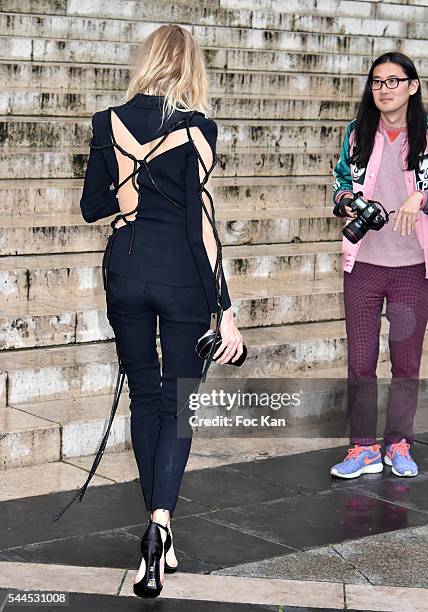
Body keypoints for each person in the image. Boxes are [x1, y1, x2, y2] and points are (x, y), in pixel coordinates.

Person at [77, 25, 243, 597]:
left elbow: (90, 208)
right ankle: (160, 525)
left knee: (147, 398)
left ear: (146, 62)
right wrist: (225, 308)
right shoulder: (199, 130)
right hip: (182, 279)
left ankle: (158, 530)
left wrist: (125, 197)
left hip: (125, 273)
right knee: (177, 405)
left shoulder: (107, 121)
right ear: (190, 67)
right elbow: (202, 225)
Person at [330, 52, 428, 479]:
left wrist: (420, 195)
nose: (384, 89)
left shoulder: (426, 136)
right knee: (360, 360)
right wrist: (350, 202)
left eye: (393, 81)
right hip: (364, 264)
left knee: (406, 361)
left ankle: (399, 443)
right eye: (376, 82)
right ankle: (363, 446)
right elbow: (339, 185)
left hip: (411, 267)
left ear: (413, 86)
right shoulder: (357, 133)